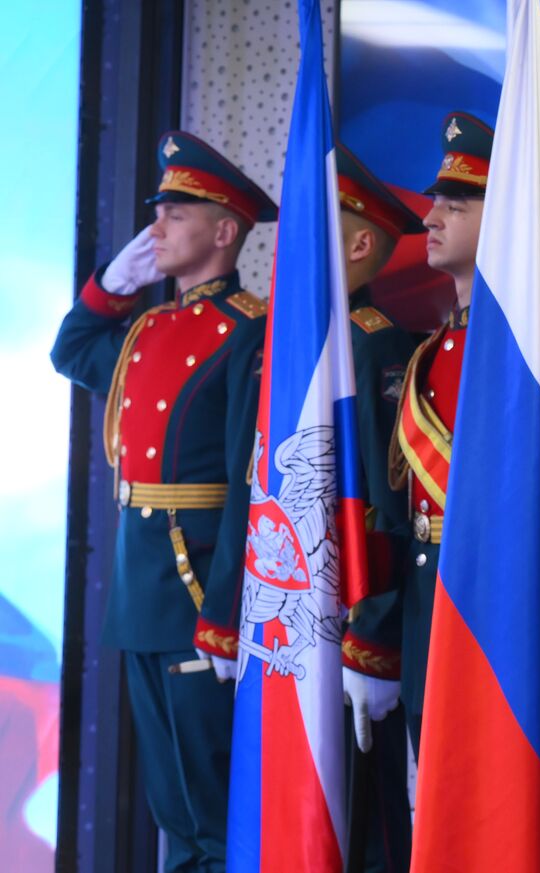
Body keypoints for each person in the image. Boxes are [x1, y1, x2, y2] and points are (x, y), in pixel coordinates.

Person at [50, 130, 276, 871]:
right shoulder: (148, 328)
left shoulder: (250, 332)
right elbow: (71, 349)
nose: (157, 227)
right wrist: (112, 285)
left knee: (210, 808)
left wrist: (222, 609)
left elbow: (254, 485)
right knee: (171, 809)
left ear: (223, 230)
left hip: (197, 590)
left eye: (177, 213)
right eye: (159, 211)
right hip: (142, 591)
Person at [386, 110, 492, 753]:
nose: (429, 219)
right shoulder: (433, 349)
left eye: (454, 206)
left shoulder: (527, 357)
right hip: (428, 596)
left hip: (489, 603)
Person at [334, 142, 426, 873]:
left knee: (374, 825)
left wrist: (373, 639)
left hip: (352, 620)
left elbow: (386, 505)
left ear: (362, 243)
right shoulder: (292, 341)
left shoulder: (373, 346)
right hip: (294, 622)